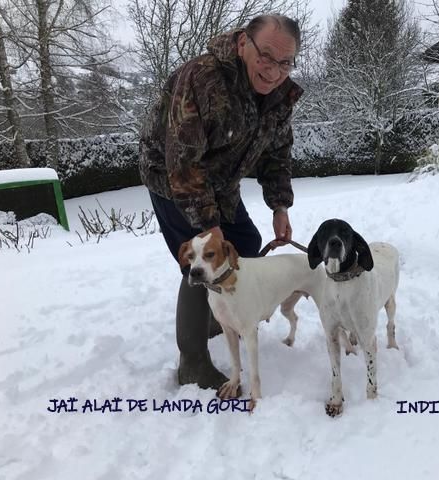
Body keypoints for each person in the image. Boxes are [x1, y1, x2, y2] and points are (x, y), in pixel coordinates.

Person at [138, 14, 303, 390]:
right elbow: (181, 160)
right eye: (266, 56)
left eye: (284, 62)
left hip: (221, 181)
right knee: (204, 257)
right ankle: (193, 362)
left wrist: (280, 206)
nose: (274, 71)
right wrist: (208, 223)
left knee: (243, 246)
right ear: (244, 43)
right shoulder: (203, 78)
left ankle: (219, 316)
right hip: (173, 177)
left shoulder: (280, 96)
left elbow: (278, 152)